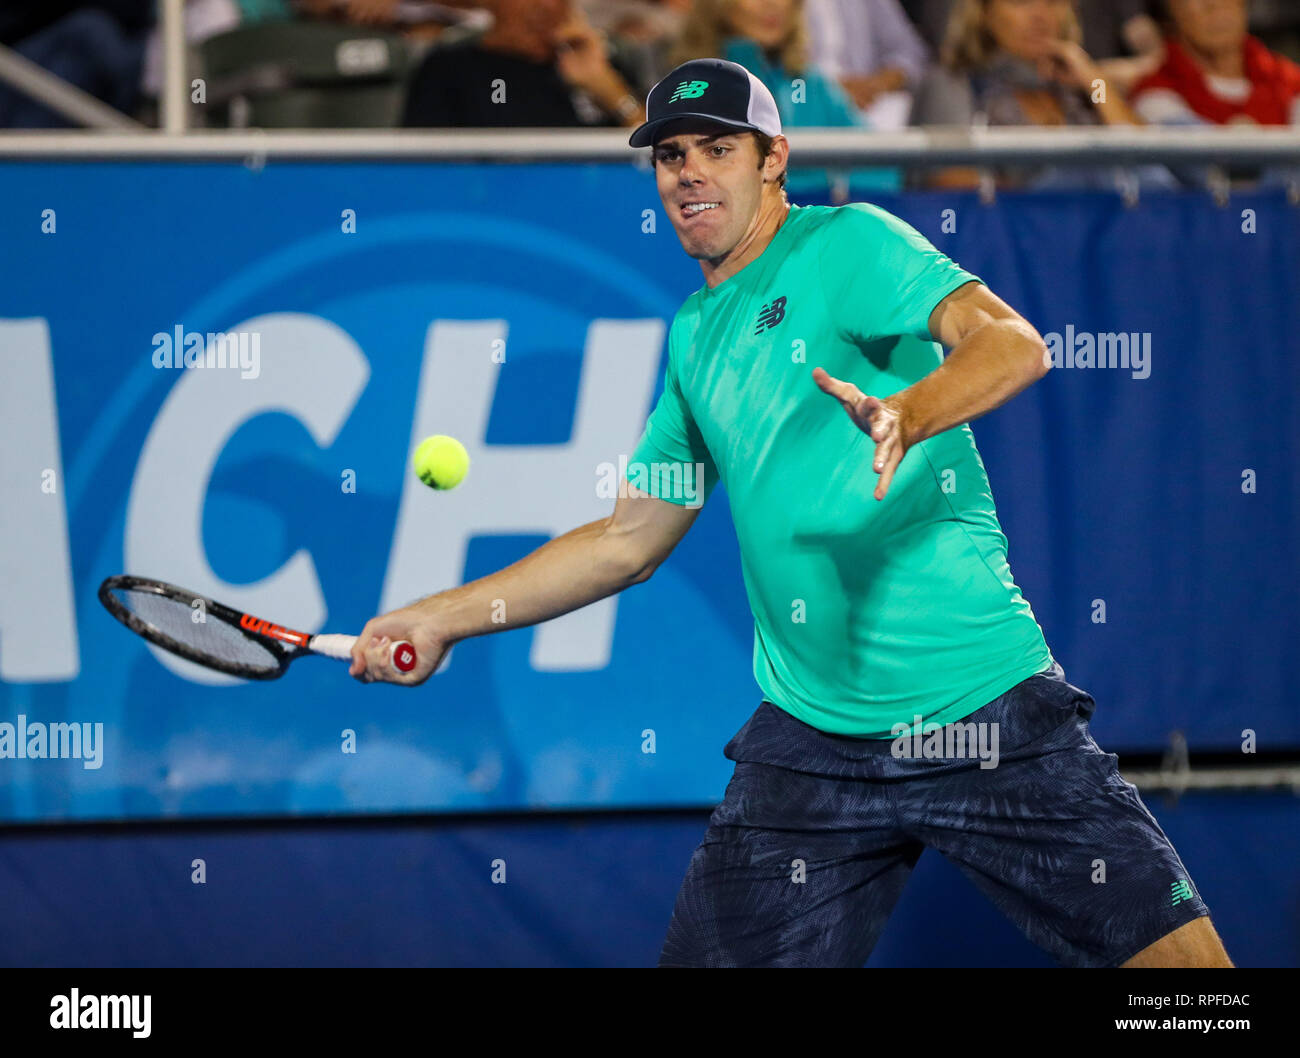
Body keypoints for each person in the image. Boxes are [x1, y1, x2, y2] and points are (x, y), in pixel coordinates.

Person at [350, 56, 1234, 970]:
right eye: (671, 154)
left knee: (1187, 990)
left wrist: (910, 412)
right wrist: (441, 617)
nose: (689, 171)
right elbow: (626, 543)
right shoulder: (696, 336)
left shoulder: (847, 244)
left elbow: (1012, 342)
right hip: (815, 747)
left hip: (980, 712)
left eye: (717, 149)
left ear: (774, 159)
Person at [912, 0, 1155, 189]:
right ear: (983, 12)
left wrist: (1094, 80)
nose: (1040, 16)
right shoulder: (953, 83)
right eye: (1021, 1)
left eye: (1052, 2)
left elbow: (1149, 160)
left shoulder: (1078, 89)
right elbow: (955, 188)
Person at [668, 0, 899, 196]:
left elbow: (881, 166)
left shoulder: (812, 83)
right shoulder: (693, 86)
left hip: (815, 232)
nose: (772, 5)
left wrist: (840, 207)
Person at [401, 0, 646, 129]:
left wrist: (612, 94)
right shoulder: (449, 69)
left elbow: (666, 160)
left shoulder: (600, 59)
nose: (547, 5)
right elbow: (423, 173)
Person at [1131, 0, 1300, 126]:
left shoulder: (1290, 81)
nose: (1215, 6)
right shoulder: (1154, 93)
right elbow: (1211, 167)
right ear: (1172, 10)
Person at [803, 0, 931, 128]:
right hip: (805, 101)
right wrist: (831, 90)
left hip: (867, 103)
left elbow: (910, 50)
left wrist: (876, 85)